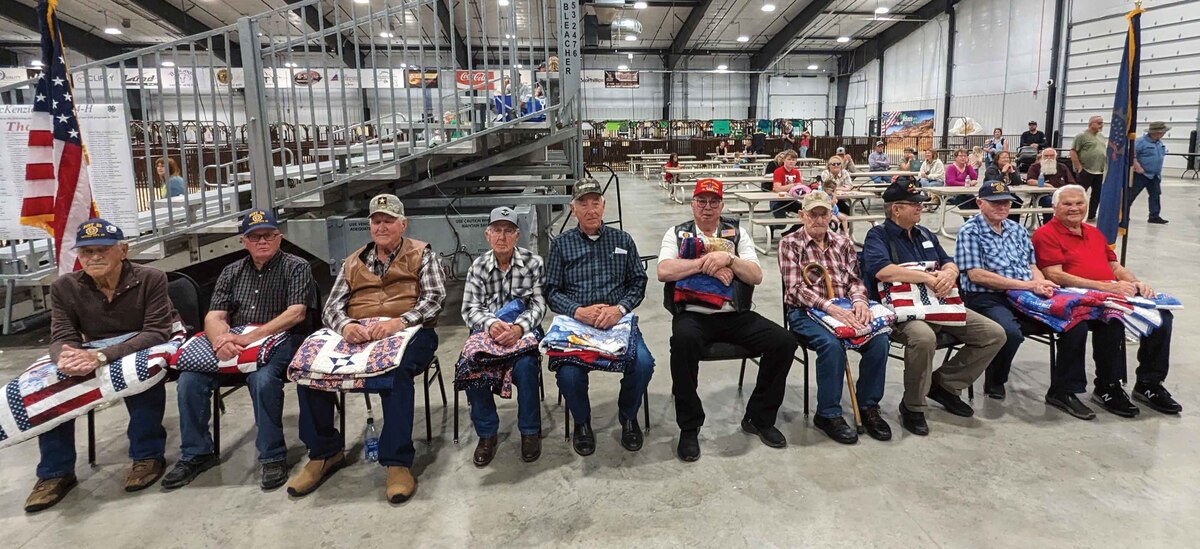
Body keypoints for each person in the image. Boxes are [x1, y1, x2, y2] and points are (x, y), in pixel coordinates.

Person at [288, 194, 446, 503]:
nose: (382, 226)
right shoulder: (353, 261)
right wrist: (347, 326)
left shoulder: (423, 255)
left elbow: (435, 299)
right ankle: (324, 453)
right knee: (307, 367)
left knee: (395, 372)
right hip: (360, 331)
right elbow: (332, 307)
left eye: (389, 220)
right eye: (377, 221)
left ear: (403, 224)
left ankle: (397, 461)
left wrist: (399, 322)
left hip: (411, 331)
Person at [22, 219, 179, 513]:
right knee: (48, 383)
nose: (94, 257)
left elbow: (157, 331)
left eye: (103, 250)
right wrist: (66, 358)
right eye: (86, 251)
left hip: (141, 341)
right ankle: (55, 472)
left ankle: (147, 455)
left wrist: (103, 356)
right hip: (92, 346)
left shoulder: (151, 278)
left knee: (142, 373)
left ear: (123, 250)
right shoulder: (64, 287)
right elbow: (63, 336)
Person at [164, 209, 317, 491]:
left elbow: (296, 313)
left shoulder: (296, 267)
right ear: (243, 241)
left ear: (279, 237)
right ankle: (196, 453)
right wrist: (221, 341)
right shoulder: (231, 272)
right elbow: (214, 317)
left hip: (283, 339)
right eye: (254, 236)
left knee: (263, 379)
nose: (262, 241)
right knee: (189, 380)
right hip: (234, 341)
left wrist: (253, 338)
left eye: (268, 235)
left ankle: (272, 456)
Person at [657, 179, 796, 461]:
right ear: (692, 203)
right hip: (693, 316)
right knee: (682, 342)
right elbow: (664, 271)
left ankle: (759, 417)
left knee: (783, 341)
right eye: (701, 201)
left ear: (721, 205)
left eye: (713, 202)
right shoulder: (677, 233)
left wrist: (728, 259)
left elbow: (756, 275)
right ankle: (689, 426)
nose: (707, 208)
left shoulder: (737, 233)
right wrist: (704, 263)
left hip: (735, 315)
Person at [862, 182, 1005, 436]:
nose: (921, 208)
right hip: (901, 310)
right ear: (896, 209)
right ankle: (913, 406)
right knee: (923, 337)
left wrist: (949, 274)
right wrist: (928, 278)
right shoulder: (878, 235)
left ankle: (944, 384)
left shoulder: (925, 234)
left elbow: (949, 262)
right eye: (915, 204)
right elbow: (882, 270)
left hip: (938, 303)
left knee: (993, 333)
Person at [1032, 185, 1181, 418]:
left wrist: (1136, 283)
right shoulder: (1045, 234)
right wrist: (1105, 287)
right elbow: (1054, 274)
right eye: (1067, 204)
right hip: (1076, 296)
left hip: (1110, 292)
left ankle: (1149, 384)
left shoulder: (1093, 233)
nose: (1074, 208)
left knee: (1162, 317)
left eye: (1079, 203)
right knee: (1112, 318)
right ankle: (1108, 387)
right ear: (1054, 207)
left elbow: (1114, 266)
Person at [953, 182, 1097, 418]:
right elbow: (977, 275)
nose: (1002, 207)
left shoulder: (1016, 230)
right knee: (1009, 332)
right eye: (995, 202)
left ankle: (1064, 391)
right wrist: (1028, 285)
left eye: (1006, 202)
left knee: (1075, 322)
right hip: (987, 297)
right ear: (980, 203)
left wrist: (1040, 282)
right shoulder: (970, 232)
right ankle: (996, 379)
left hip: (1026, 293)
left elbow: (1031, 265)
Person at [545, 179, 654, 456]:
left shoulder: (622, 240)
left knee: (642, 364)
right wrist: (577, 310)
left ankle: (628, 416)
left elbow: (638, 282)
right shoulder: (561, 245)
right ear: (573, 208)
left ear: (604, 206)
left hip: (616, 321)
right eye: (583, 203)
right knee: (568, 373)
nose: (590, 209)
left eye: (596, 202)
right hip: (578, 323)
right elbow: (551, 291)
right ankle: (582, 422)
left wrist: (619, 309)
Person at [780, 191, 892, 444]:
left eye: (824, 214)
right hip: (805, 312)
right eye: (813, 214)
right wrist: (829, 308)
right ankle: (828, 413)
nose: (819, 219)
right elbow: (795, 289)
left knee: (879, 340)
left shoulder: (843, 242)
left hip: (845, 308)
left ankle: (868, 406)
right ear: (802, 215)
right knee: (831, 345)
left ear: (831, 215)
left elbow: (854, 280)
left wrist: (859, 301)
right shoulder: (790, 243)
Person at [460, 207, 546, 466]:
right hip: (489, 332)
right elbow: (469, 308)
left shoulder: (534, 263)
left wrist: (519, 329)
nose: (502, 236)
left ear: (517, 235)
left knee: (527, 368)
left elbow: (539, 306)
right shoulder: (478, 267)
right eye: (496, 230)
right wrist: (492, 325)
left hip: (522, 332)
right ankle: (487, 434)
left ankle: (530, 432)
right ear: (487, 235)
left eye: (508, 231)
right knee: (472, 369)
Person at [1131, 121, 1170, 224]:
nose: (1164, 134)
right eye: (1162, 132)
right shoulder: (1140, 142)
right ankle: (1122, 214)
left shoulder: (1159, 143)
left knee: (1155, 195)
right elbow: (1131, 155)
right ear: (1155, 132)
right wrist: (1137, 166)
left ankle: (1154, 216)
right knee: (1131, 195)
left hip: (1155, 175)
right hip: (1140, 174)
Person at [1071, 115, 1107, 222]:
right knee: (1080, 194)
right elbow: (1073, 152)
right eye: (1099, 123)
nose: (1101, 125)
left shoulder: (1101, 136)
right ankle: (1076, 213)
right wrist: (1079, 167)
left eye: (1102, 122)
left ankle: (1091, 215)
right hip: (1086, 170)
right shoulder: (1081, 136)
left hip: (1099, 170)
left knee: (1097, 194)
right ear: (1091, 124)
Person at [1025, 147, 1076, 221]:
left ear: (1055, 157)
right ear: (1042, 157)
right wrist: (1047, 185)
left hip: (1061, 194)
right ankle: (1048, 225)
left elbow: (1072, 183)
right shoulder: (1035, 167)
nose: (1049, 158)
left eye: (1051, 155)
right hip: (1042, 195)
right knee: (1049, 201)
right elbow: (1030, 181)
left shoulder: (1062, 167)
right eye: (1046, 156)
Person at [770, 149, 805, 232]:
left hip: (791, 200)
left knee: (807, 214)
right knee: (782, 225)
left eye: (793, 160)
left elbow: (799, 188)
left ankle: (789, 233)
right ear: (784, 160)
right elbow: (778, 188)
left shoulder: (796, 172)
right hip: (777, 201)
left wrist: (793, 187)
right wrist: (793, 185)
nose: (791, 162)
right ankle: (771, 227)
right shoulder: (778, 171)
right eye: (789, 159)